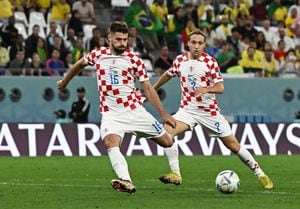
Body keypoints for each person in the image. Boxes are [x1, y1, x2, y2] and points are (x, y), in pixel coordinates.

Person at [56, 21, 176, 193]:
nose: (122, 43)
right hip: (112, 115)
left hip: (135, 111)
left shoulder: (134, 59)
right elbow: (79, 64)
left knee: (168, 141)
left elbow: (148, 88)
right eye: (118, 39)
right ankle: (126, 181)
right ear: (109, 38)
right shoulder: (98, 54)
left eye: (125, 40)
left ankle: (176, 172)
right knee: (110, 143)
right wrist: (65, 81)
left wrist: (163, 115)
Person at [152, 29, 273, 189]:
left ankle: (260, 173)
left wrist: (207, 89)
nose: (196, 46)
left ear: (205, 46)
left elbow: (220, 87)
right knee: (167, 132)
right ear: (188, 43)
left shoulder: (210, 62)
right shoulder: (180, 60)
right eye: (193, 42)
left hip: (209, 113)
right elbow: (168, 74)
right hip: (187, 111)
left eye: (199, 43)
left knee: (233, 145)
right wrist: (152, 88)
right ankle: (176, 174)